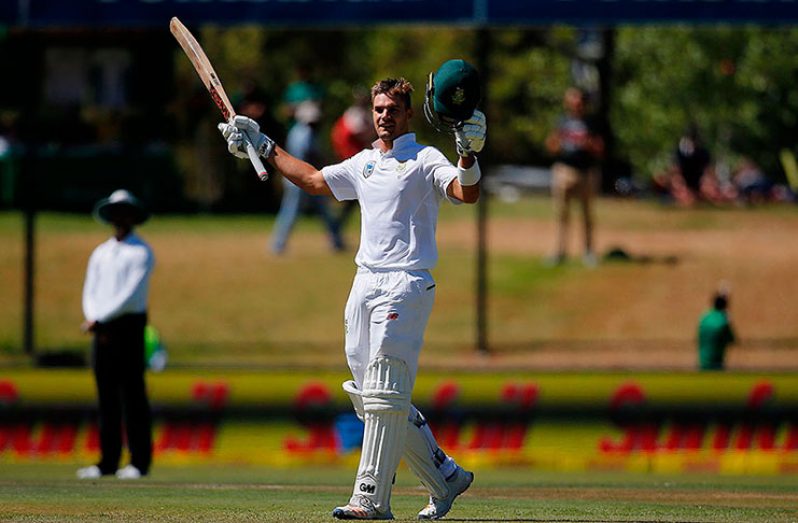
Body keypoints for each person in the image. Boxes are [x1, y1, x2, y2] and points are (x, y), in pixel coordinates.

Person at [219, 71, 486, 520]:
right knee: (370, 396)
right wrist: (263, 145)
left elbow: (467, 192)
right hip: (363, 283)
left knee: (384, 388)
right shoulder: (363, 163)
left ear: (407, 114)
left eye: (392, 111)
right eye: (379, 110)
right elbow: (312, 180)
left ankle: (371, 499)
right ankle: (445, 476)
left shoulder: (425, 159)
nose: (384, 117)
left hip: (406, 282)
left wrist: (467, 153)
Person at [77, 189, 155, 480]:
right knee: (106, 397)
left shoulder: (141, 251)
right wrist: (92, 315)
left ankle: (139, 461)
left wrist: (100, 317)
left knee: (133, 396)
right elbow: (90, 288)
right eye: (116, 212)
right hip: (101, 329)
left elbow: (131, 294)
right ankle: (107, 461)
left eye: (126, 212)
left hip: (128, 327)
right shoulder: (101, 252)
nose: (121, 218)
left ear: (133, 217)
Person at [270, 100, 345, 254]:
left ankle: (336, 241)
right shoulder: (305, 133)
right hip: (302, 180)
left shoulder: (297, 131)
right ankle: (278, 245)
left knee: (322, 211)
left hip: (302, 179)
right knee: (291, 212)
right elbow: (309, 156)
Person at [545, 87, 604, 267]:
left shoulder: (592, 123)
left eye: (577, 102)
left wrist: (589, 145)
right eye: (571, 101)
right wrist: (558, 143)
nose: (574, 105)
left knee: (587, 215)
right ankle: (559, 252)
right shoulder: (561, 121)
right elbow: (551, 146)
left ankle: (588, 252)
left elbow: (600, 149)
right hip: (564, 171)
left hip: (586, 172)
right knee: (561, 214)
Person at [331, 88, 378, 228]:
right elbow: (357, 134)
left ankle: (335, 228)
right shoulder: (353, 114)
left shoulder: (367, 113)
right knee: (354, 197)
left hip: (360, 158)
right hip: (351, 157)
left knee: (356, 198)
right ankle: (335, 227)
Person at [697, 288, 736, 371]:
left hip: (702, 361)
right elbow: (732, 339)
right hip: (716, 363)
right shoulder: (723, 321)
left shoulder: (704, 318)